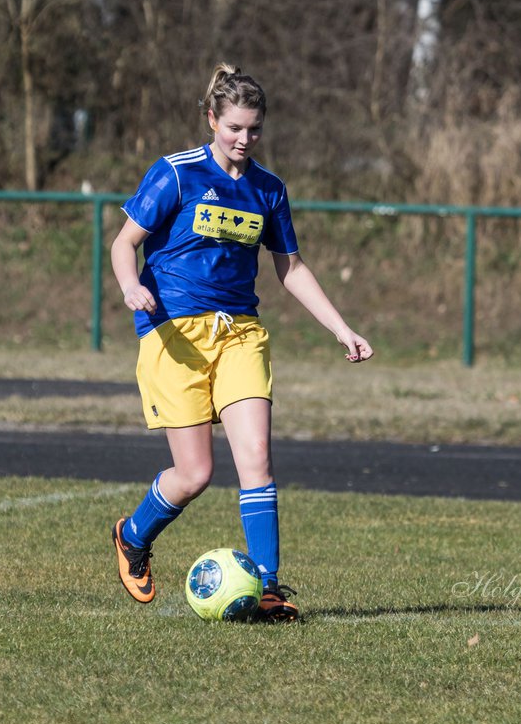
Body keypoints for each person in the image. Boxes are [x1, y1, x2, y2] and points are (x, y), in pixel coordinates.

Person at [109, 62, 373, 622]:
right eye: (233, 128)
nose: (243, 139)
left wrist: (340, 327)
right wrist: (132, 287)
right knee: (195, 475)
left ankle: (271, 588)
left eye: (253, 129)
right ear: (212, 119)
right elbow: (123, 243)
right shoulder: (175, 174)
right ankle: (133, 536)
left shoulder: (269, 189)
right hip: (173, 334)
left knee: (256, 459)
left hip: (240, 335)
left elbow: (291, 268)